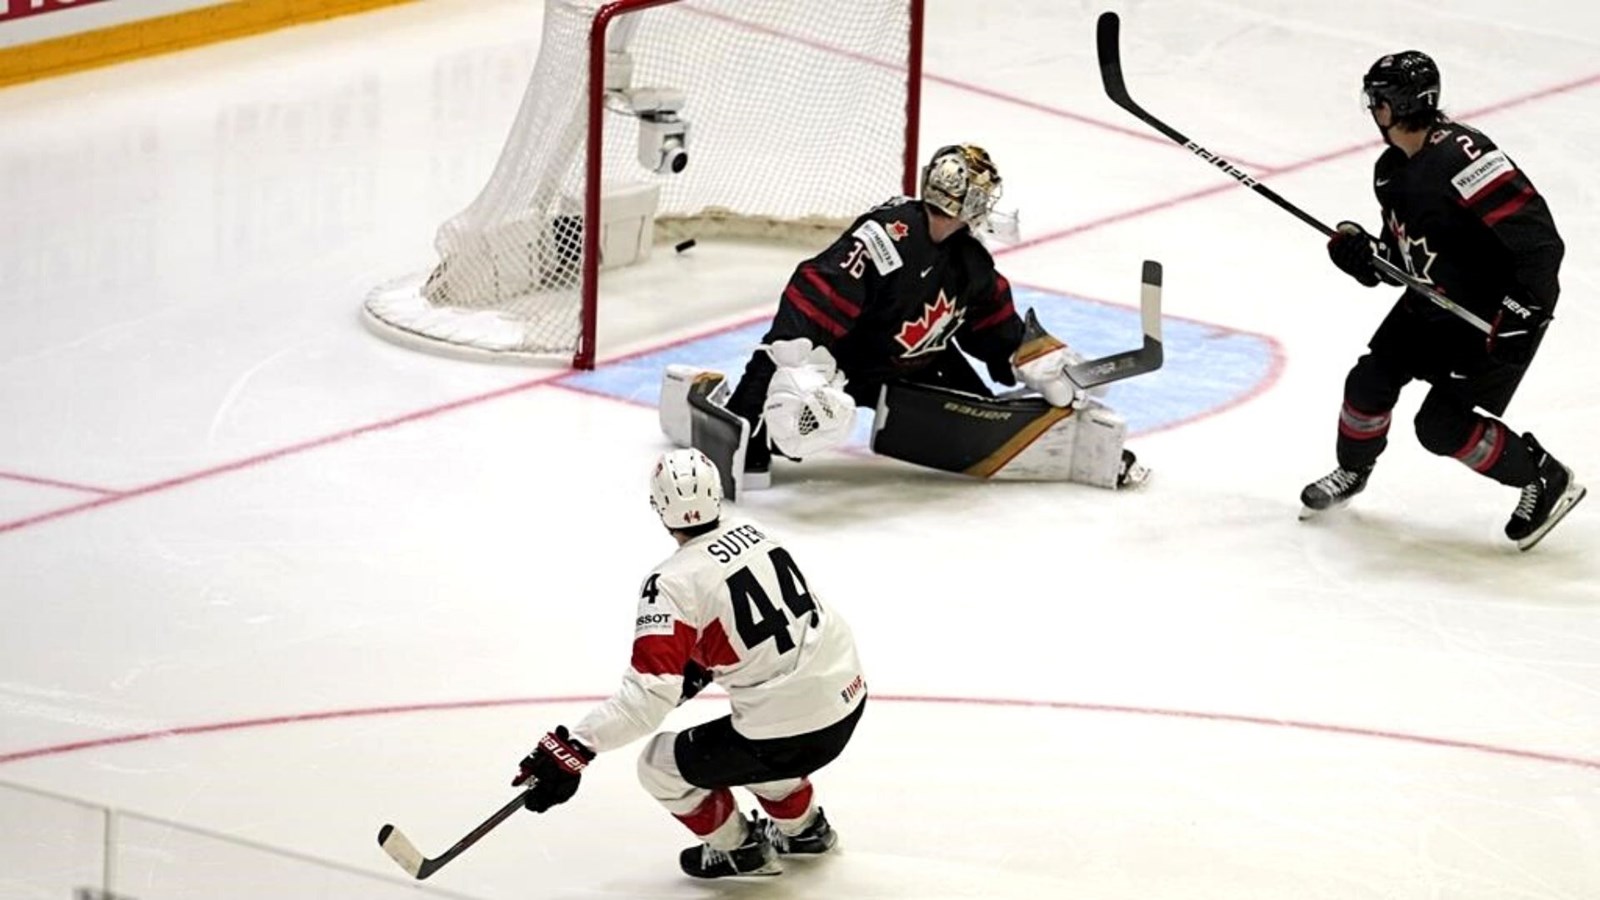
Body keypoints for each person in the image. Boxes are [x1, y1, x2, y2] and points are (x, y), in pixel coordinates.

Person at [660, 143, 1146, 491]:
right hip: (851, 363)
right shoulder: (889, 236)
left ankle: (1073, 449)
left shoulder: (969, 260)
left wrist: (1036, 359)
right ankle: (742, 427)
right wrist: (796, 368)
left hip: (917, 363)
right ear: (971, 202)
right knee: (797, 424)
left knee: (982, 420)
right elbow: (815, 294)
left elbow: (992, 325)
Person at [510, 448, 867, 879]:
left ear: (658, 507)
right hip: (848, 697)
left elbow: (644, 702)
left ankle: (738, 849)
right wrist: (695, 670)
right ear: (716, 494)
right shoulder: (757, 534)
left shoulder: (672, 583)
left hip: (788, 733)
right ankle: (804, 830)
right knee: (753, 747)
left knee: (660, 765)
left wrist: (575, 747)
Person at [1306, 50, 1585, 550]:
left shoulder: (1465, 157)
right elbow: (1402, 261)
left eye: (1376, 100)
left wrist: (1525, 311)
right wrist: (1363, 254)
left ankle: (1544, 477)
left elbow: (1542, 244)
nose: (1372, 110)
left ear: (1395, 106)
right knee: (1368, 383)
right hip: (1434, 302)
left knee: (1440, 427)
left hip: (1491, 317)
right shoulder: (1391, 170)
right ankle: (1353, 471)